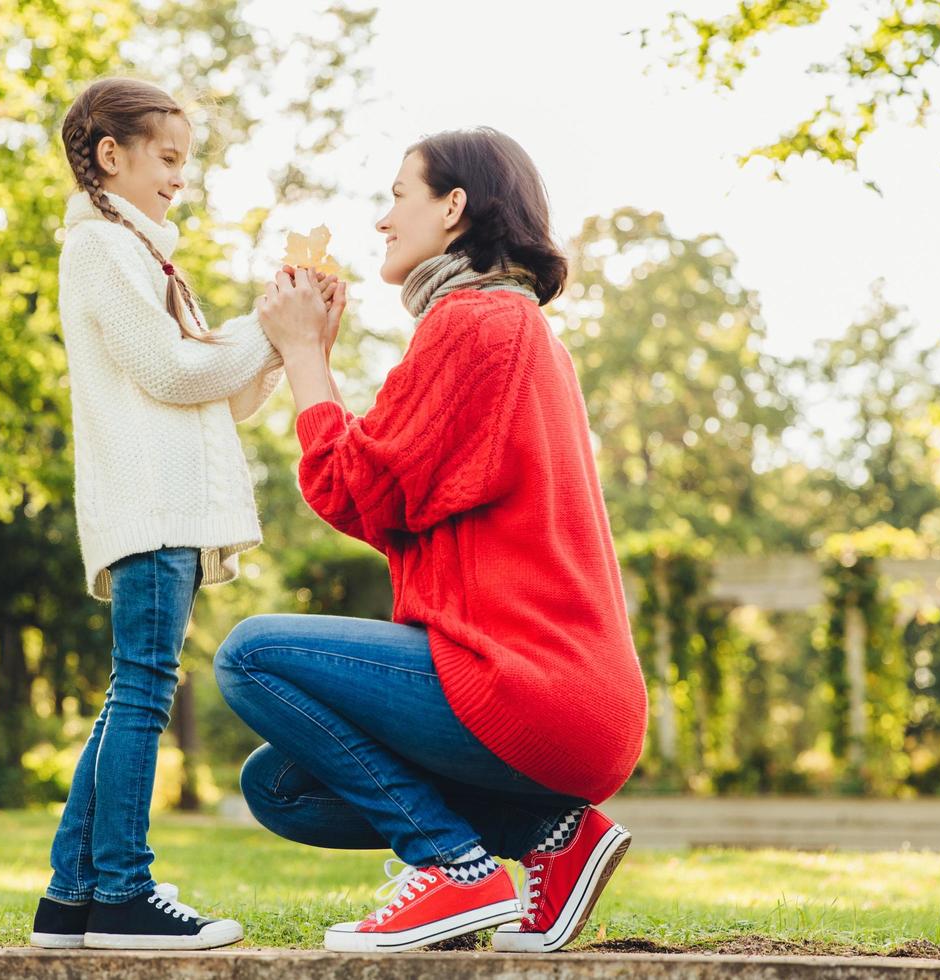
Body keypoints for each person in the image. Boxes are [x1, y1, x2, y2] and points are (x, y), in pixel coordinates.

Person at [215, 127, 648, 953]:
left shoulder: (474, 324)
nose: (382, 220)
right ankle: (555, 836)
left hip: (526, 683)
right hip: (566, 696)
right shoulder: (514, 331)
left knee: (250, 656)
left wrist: (306, 353)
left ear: (454, 207)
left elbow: (353, 489)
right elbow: (392, 502)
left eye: (397, 196)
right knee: (279, 786)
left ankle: (453, 868)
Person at [30, 77, 343, 951]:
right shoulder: (101, 251)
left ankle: (72, 896)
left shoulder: (147, 256)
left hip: (167, 508)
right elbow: (171, 373)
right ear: (110, 156)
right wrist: (267, 323)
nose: (180, 178)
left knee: (129, 689)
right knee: (141, 692)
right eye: (168, 159)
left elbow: (222, 396)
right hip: (152, 505)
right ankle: (123, 892)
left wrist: (289, 341)